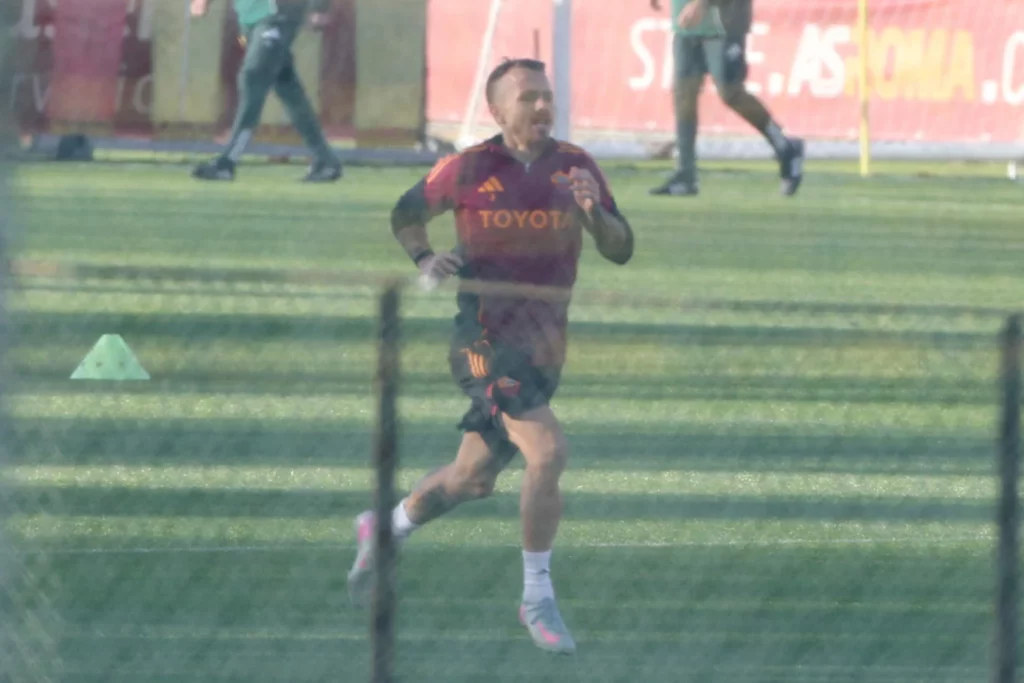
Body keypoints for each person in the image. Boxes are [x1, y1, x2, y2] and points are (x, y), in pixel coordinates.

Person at [346, 58, 634, 655]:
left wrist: (596, 215)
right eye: (527, 98)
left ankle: (386, 526)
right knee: (548, 451)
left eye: (546, 95)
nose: (542, 106)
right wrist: (426, 259)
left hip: (545, 351)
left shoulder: (576, 165)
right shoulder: (470, 166)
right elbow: (406, 213)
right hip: (482, 343)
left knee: (472, 480)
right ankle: (537, 597)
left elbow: (621, 248)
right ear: (497, 110)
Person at [649, 0, 804, 196]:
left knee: (730, 92)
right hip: (686, 22)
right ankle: (685, 175)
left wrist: (701, 3)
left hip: (724, 21)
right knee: (683, 94)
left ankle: (785, 145)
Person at [189, 0, 342, 182]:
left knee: (253, 77)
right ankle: (325, 161)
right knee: (288, 89)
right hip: (250, 20)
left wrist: (319, 6)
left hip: (277, 15)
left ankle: (228, 162)